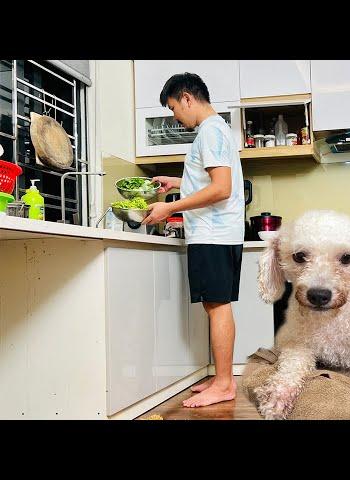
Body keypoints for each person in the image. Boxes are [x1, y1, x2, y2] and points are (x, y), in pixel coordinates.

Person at [142, 72, 244, 407]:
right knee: (216, 305)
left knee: (217, 306)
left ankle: (226, 383)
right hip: (216, 233)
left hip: (213, 234)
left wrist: (168, 207)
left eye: (173, 108)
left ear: (187, 98)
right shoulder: (217, 131)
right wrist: (177, 181)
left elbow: (220, 189)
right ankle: (222, 376)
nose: (175, 116)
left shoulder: (210, 132)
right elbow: (208, 179)